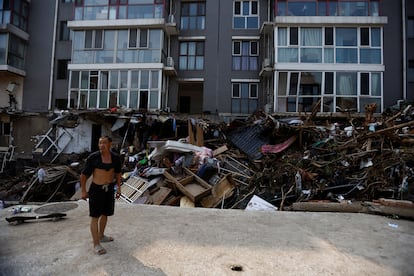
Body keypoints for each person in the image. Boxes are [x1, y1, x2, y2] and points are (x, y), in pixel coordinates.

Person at [80, 136, 122, 255]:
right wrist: (83, 190)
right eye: (100, 143)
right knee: (95, 217)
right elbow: (83, 176)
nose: (101, 145)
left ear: (110, 144)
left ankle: (102, 235)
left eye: (104, 143)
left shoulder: (115, 158)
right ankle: (96, 244)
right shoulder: (93, 158)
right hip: (96, 190)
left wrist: (119, 188)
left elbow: (118, 173)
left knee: (105, 214)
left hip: (109, 190)